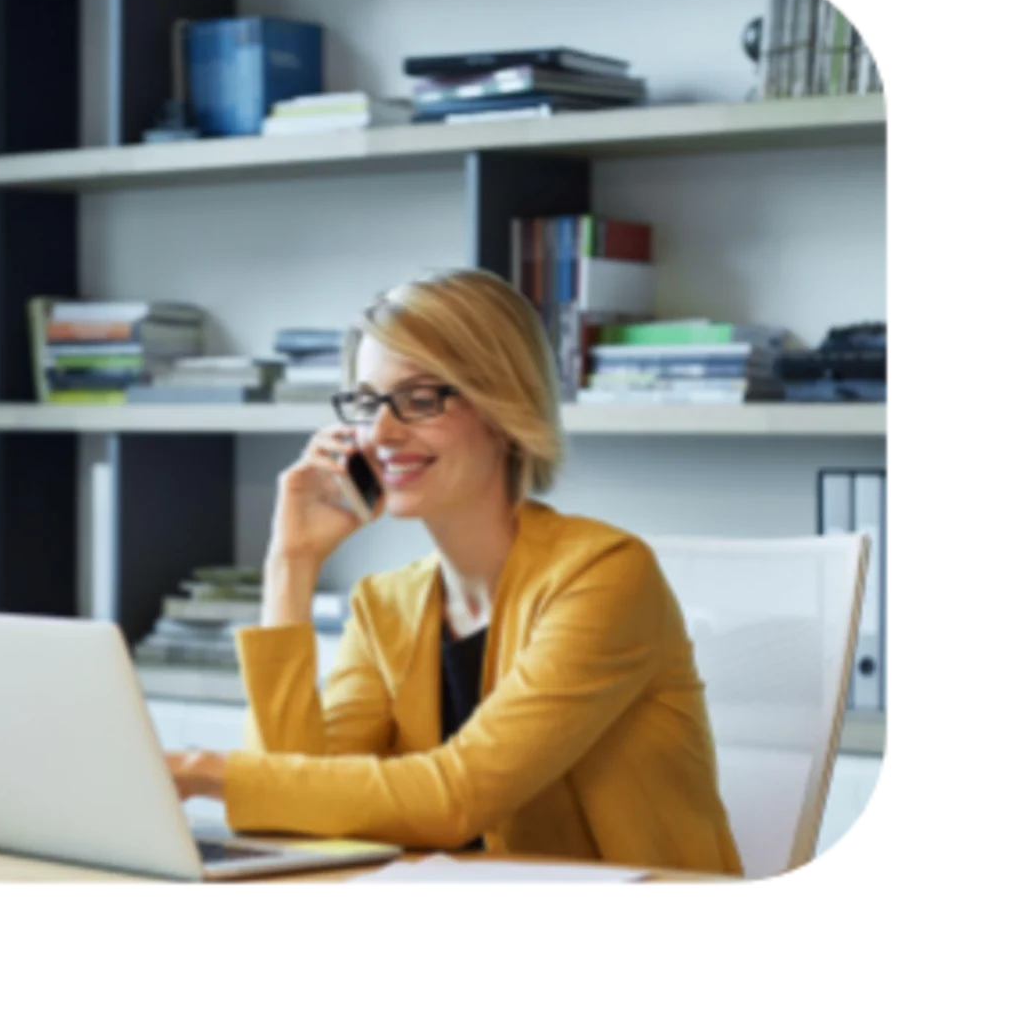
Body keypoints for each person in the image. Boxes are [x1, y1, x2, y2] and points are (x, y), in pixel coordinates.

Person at [165, 267, 743, 875]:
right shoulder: (384, 605)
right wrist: (291, 564)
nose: (381, 431)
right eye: (367, 403)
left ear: (503, 406)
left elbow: (457, 795)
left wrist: (202, 772)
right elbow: (289, 811)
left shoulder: (604, 576)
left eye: (419, 399)